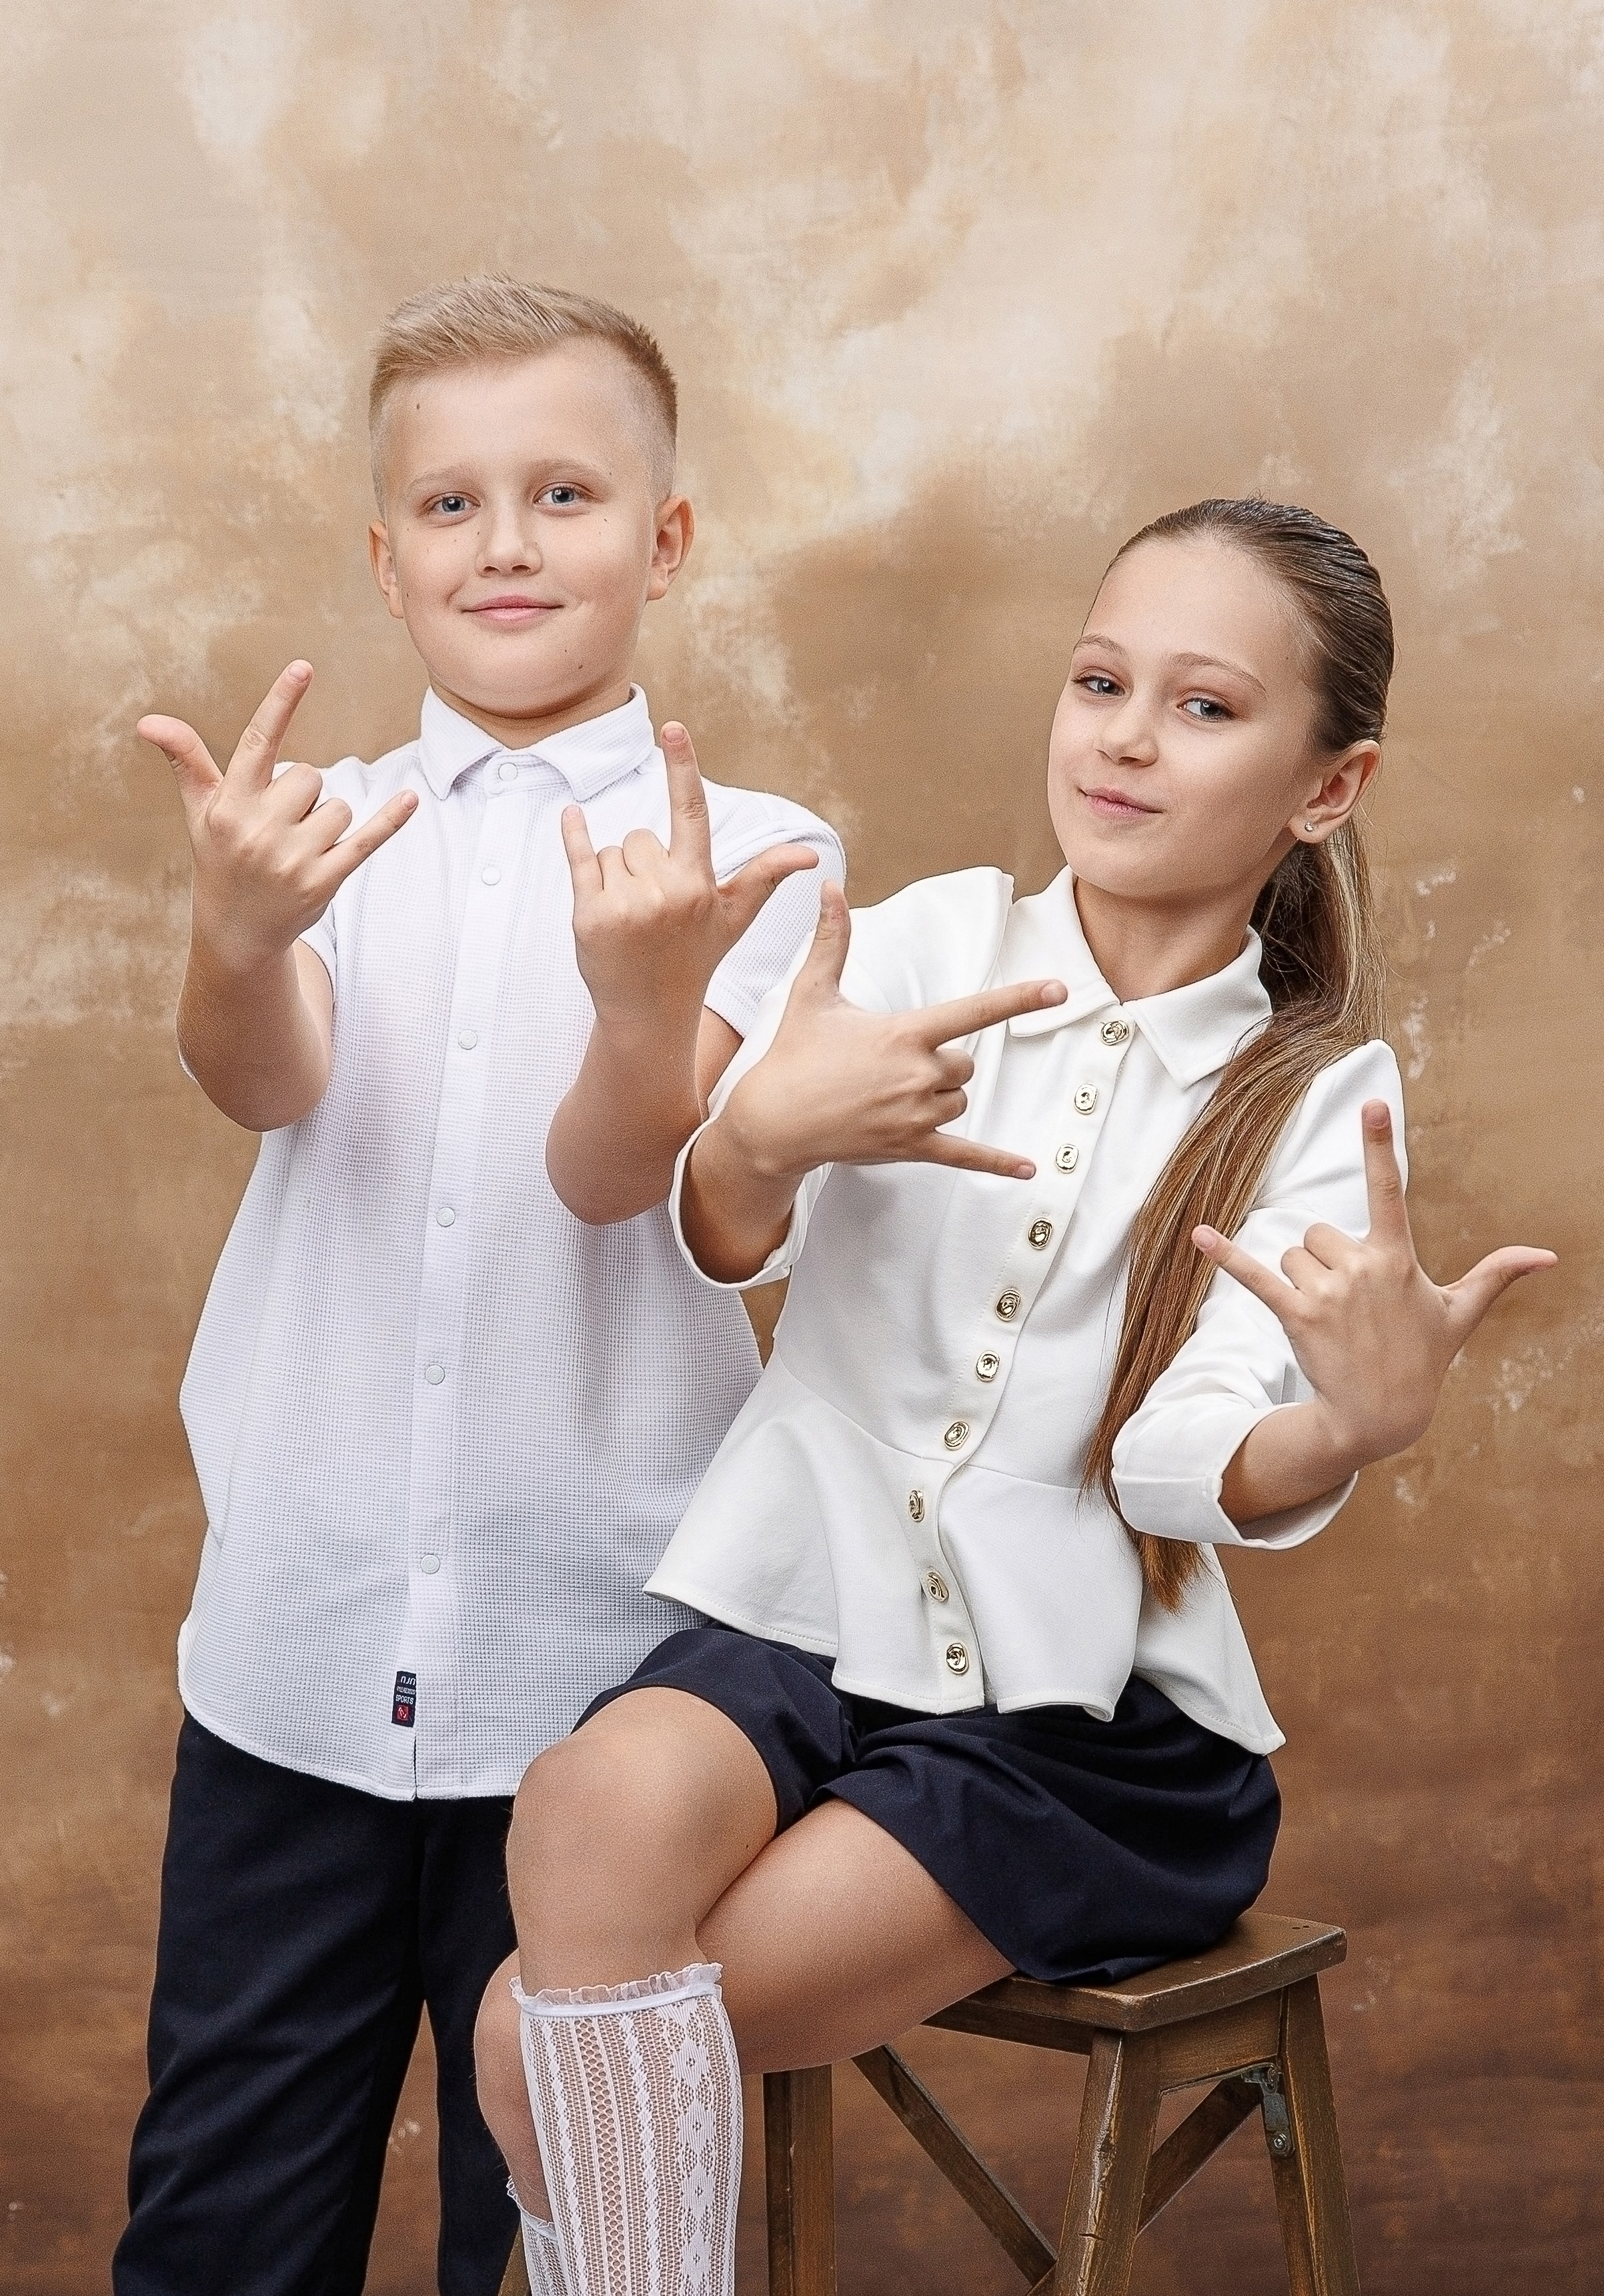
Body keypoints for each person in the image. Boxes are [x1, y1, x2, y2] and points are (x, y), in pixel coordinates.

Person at [473, 497, 1555, 2296]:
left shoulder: (1310, 1093)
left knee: (533, 2033)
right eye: (1100, 680)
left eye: (1205, 707)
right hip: (802, 1609)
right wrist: (756, 1130)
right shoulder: (908, 945)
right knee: (588, 1805)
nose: (1127, 735)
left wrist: (1350, 1425)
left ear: (1329, 784)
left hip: (1081, 1720)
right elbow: (724, 1230)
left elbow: (1189, 1450)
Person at [114, 277, 843, 2296]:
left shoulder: (763, 857)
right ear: (383, 555)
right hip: (296, 1652)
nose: (504, 543)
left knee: (539, 2236)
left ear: (667, 539)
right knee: (225, 2221)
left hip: (591, 1683)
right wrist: (238, 935)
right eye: (448, 506)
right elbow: (259, 1074)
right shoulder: (320, 828)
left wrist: (647, 997)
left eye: (562, 493)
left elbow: (638, 1179)